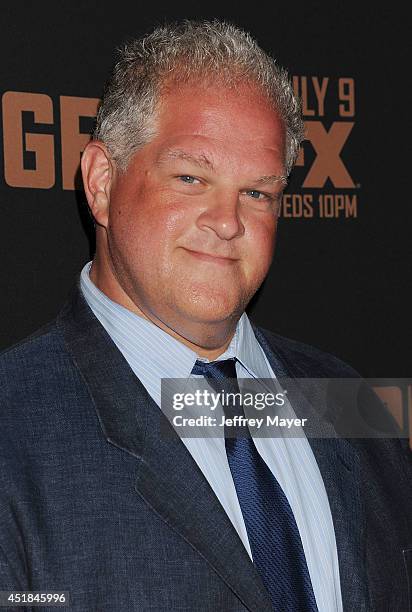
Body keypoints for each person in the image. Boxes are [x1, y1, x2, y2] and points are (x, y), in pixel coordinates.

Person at [0, 20, 411, 612]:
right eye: (191, 178)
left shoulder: (346, 401)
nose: (228, 220)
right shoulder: (14, 430)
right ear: (101, 183)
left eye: (258, 192)